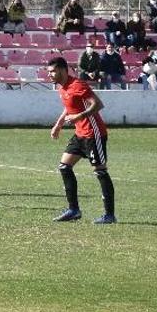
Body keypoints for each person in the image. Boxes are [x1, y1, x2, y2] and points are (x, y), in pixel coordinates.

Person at [48, 56, 116, 224]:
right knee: (64, 167)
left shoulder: (78, 85)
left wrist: (80, 116)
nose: (50, 75)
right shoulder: (62, 88)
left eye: (53, 71)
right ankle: (73, 210)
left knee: (100, 171)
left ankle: (109, 215)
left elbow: (98, 104)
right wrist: (59, 124)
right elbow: (68, 107)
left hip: (94, 134)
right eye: (48, 72)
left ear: (63, 70)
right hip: (80, 134)